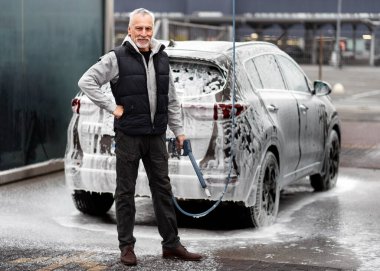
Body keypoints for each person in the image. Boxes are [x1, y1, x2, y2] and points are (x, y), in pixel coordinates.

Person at [78, 8, 202, 266]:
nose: (143, 33)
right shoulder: (116, 58)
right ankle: (127, 248)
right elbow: (86, 82)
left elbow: (172, 99)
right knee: (125, 192)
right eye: (139, 28)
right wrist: (112, 107)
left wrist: (178, 131)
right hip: (129, 136)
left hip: (156, 136)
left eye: (148, 28)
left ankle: (171, 245)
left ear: (153, 30)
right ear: (130, 30)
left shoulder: (162, 57)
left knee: (163, 190)